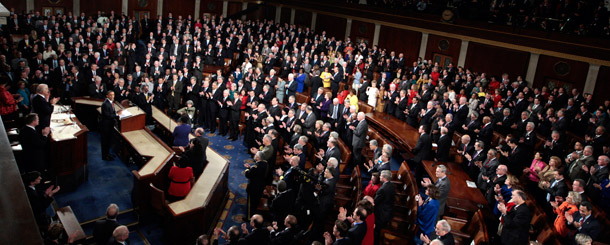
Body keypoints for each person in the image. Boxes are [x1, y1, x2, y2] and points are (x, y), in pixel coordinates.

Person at [374, 170, 395, 243]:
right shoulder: (391, 185)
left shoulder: (382, 189)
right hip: (389, 211)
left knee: (377, 231)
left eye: (381, 176)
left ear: (384, 178)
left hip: (382, 214)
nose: (379, 177)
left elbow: (375, 201)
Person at [245, 152, 268, 217]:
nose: (254, 156)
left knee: (251, 204)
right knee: (255, 202)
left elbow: (248, 175)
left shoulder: (255, 167)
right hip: (260, 186)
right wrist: (251, 168)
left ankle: (249, 217)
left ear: (258, 158)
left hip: (253, 188)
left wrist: (247, 169)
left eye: (256, 155)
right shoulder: (265, 163)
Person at [101, 91, 120, 161]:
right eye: (111, 95)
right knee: (105, 141)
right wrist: (117, 114)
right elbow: (108, 115)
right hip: (106, 126)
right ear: (107, 96)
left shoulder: (111, 103)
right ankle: (105, 156)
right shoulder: (105, 104)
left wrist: (117, 113)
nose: (112, 96)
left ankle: (108, 154)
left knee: (108, 141)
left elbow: (112, 112)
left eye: (113, 95)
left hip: (110, 125)